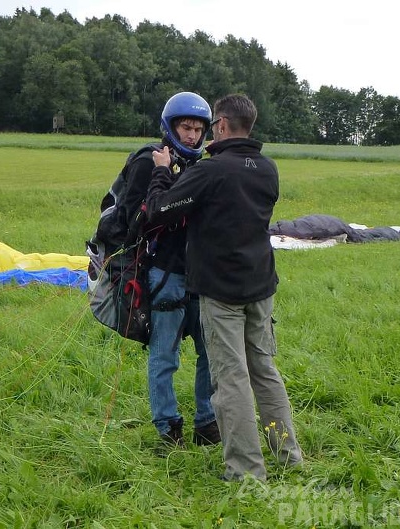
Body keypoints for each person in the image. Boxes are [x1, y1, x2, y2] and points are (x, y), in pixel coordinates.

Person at [145, 94, 302, 480]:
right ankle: (288, 455)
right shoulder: (268, 169)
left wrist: (163, 170)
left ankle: (246, 471)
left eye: (213, 124)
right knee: (264, 370)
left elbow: (158, 209)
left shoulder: (212, 171)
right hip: (261, 287)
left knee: (230, 380)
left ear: (223, 126)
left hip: (221, 293)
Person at [121, 91, 220, 448]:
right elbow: (136, 219)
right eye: (185, 127)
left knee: (210, 352)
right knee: (166, 355)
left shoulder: (202, 166)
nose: (192, 135)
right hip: (165, 274)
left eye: (197, 129)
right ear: (171, 127)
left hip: (201, 276)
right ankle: (167, 426)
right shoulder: (151, 161)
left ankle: (206, 420)